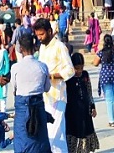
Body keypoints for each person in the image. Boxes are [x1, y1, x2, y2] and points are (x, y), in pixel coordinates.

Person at [33, 18, 75, 153]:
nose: (39, 38)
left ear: (49, 31)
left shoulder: (59, 46)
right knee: (52, 134)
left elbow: (70, 70)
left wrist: (51, 76)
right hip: (44, 96)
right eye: (37, 35)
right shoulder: (42, 47)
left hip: (57, 95)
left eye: (42, 34)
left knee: (54, 134)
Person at [11, 31, 51, 153]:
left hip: (22, 108)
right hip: (38, 106)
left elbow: (14, 89)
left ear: (21, 49)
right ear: (34, 48)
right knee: (40, 142)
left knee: (22, 141)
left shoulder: (16, 67)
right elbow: (47, 88)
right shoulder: (42, 66)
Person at [64, 52, 98, 153]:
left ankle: (84, 150)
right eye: (76, 68)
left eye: (81, 68)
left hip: (84, 110)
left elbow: (89, 91)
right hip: (71, 110)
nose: (79, 71)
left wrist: (92, 106)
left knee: (85, 130)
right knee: (73, 131)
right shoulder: (68, 78)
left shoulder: (85, 75)